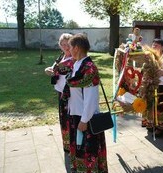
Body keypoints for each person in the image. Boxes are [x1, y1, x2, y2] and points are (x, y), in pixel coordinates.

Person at [64, 33, 108, 172]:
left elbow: (91, 98)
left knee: (89, 152)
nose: (69, 50)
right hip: (75, 114)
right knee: (79, 150)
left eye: (70, 47)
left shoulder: (89, 68)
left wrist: (84, 120)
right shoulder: (77, 64)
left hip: (85, 118)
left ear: (76, 48)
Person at [44, 33, 74, 173]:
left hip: (71, 96)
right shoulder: (60, 57)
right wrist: (49, 70)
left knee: (71, 121)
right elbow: (54, 69)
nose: (65, 47)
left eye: (67, 44)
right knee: (64, 121)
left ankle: (73, 145)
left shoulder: (75, 58)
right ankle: (67, 145)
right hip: (61, 94)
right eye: (62, 44)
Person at [142, 38, 163, 136]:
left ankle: (161, 128)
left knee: (161, 108)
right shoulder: (150, 57)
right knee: (151, 106)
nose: (154, 47)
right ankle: (150, 124)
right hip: (151, 85)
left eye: (156, 46)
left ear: (162, 47)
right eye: (153, 45)